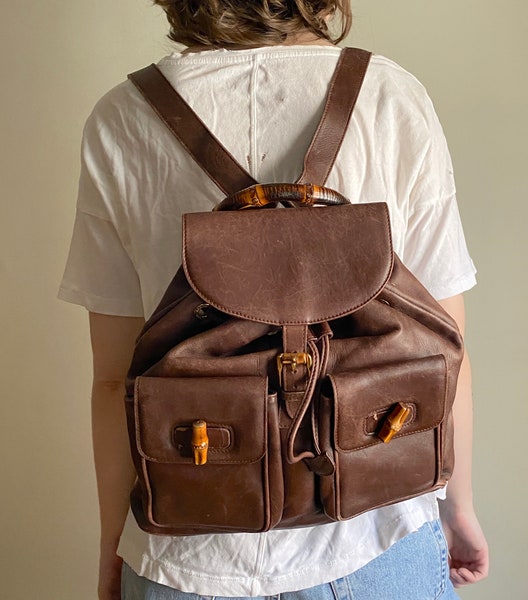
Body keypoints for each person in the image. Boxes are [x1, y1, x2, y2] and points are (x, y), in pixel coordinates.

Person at [59, 1, 489, 598]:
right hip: (375, 531)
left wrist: (115, 545)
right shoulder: (392, 95)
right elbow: (447, 348)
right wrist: (458, 508)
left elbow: (113, 381)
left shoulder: (120, 118)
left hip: (186, 552)